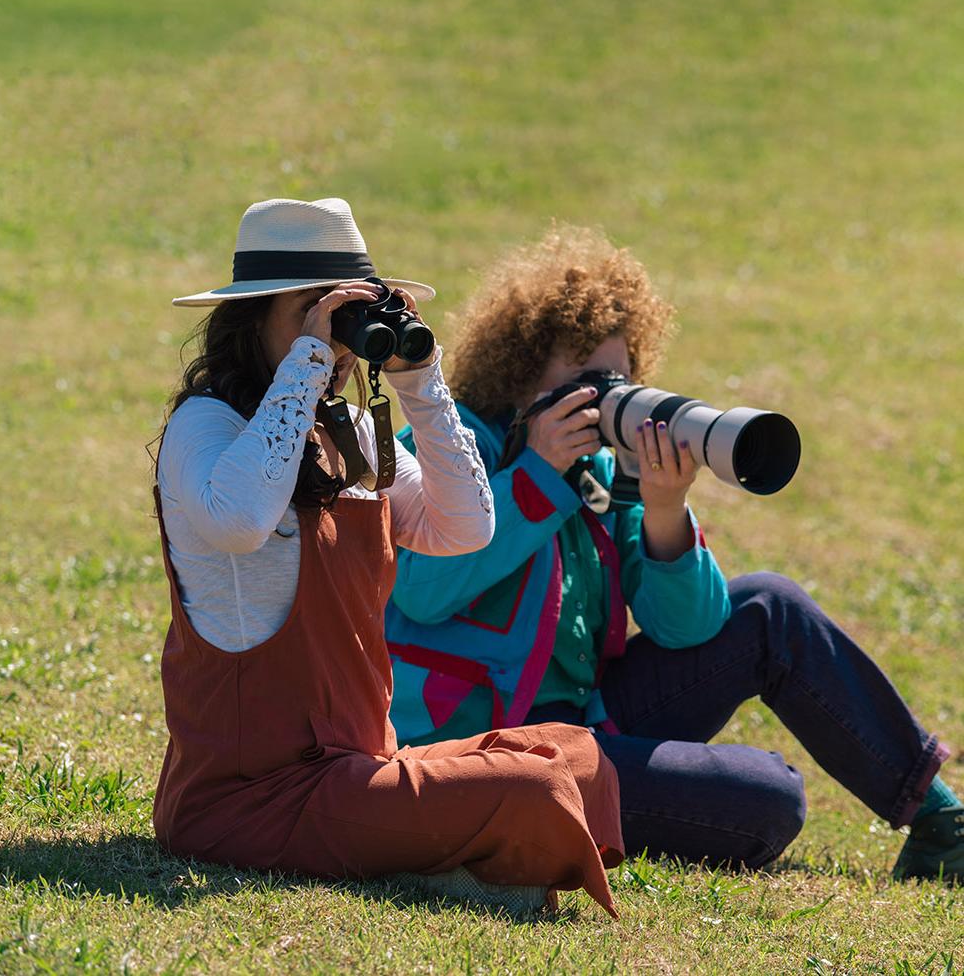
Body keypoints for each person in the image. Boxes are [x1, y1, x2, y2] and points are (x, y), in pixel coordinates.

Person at [385, 224, 963, 882]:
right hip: (484, 753)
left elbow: (689, 629)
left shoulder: (601, 471)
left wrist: (663, 510)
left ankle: (943, 822)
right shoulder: (449, 445)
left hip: (589, 720)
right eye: (589, 378)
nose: (609, 395)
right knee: (769, 798)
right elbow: (420, 590)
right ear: (521, 373)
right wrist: (538, 478)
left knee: (769, 607)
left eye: (620, 377)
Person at [150, 199, 624, 916]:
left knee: (577, 758)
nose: (338, 344)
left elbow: (464, 528)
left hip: (359, 768)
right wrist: (312, 358)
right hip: (249, 798)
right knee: (532, 791)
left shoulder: (340, 432)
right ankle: (428, 857)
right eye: (313, 312)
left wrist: (419, 378)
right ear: (255, 319)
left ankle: (416, 852)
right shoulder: (205, 427)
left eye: (344, 318)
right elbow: (242, 520)